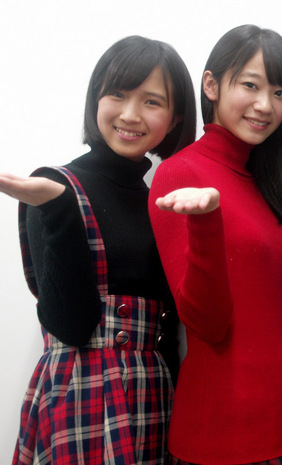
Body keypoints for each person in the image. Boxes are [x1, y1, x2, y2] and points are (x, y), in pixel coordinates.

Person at [0, 36, 196, 464]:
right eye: (118, 94)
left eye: (152, 101)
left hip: (157, 394)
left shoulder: (161, 199)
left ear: (175, 117)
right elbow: (69, 327)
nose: (130, 114)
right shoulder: (53, 187)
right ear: (96, 99)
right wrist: (57, 210)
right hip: (82, 394)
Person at [149, 25, 282, 465]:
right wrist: (206, 221)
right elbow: (206, 323)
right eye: (250, 85)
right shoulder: (179, 173)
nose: (266, 105)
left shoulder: (263, 182)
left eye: (280, 93)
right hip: (221, 435)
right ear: (211, 85)